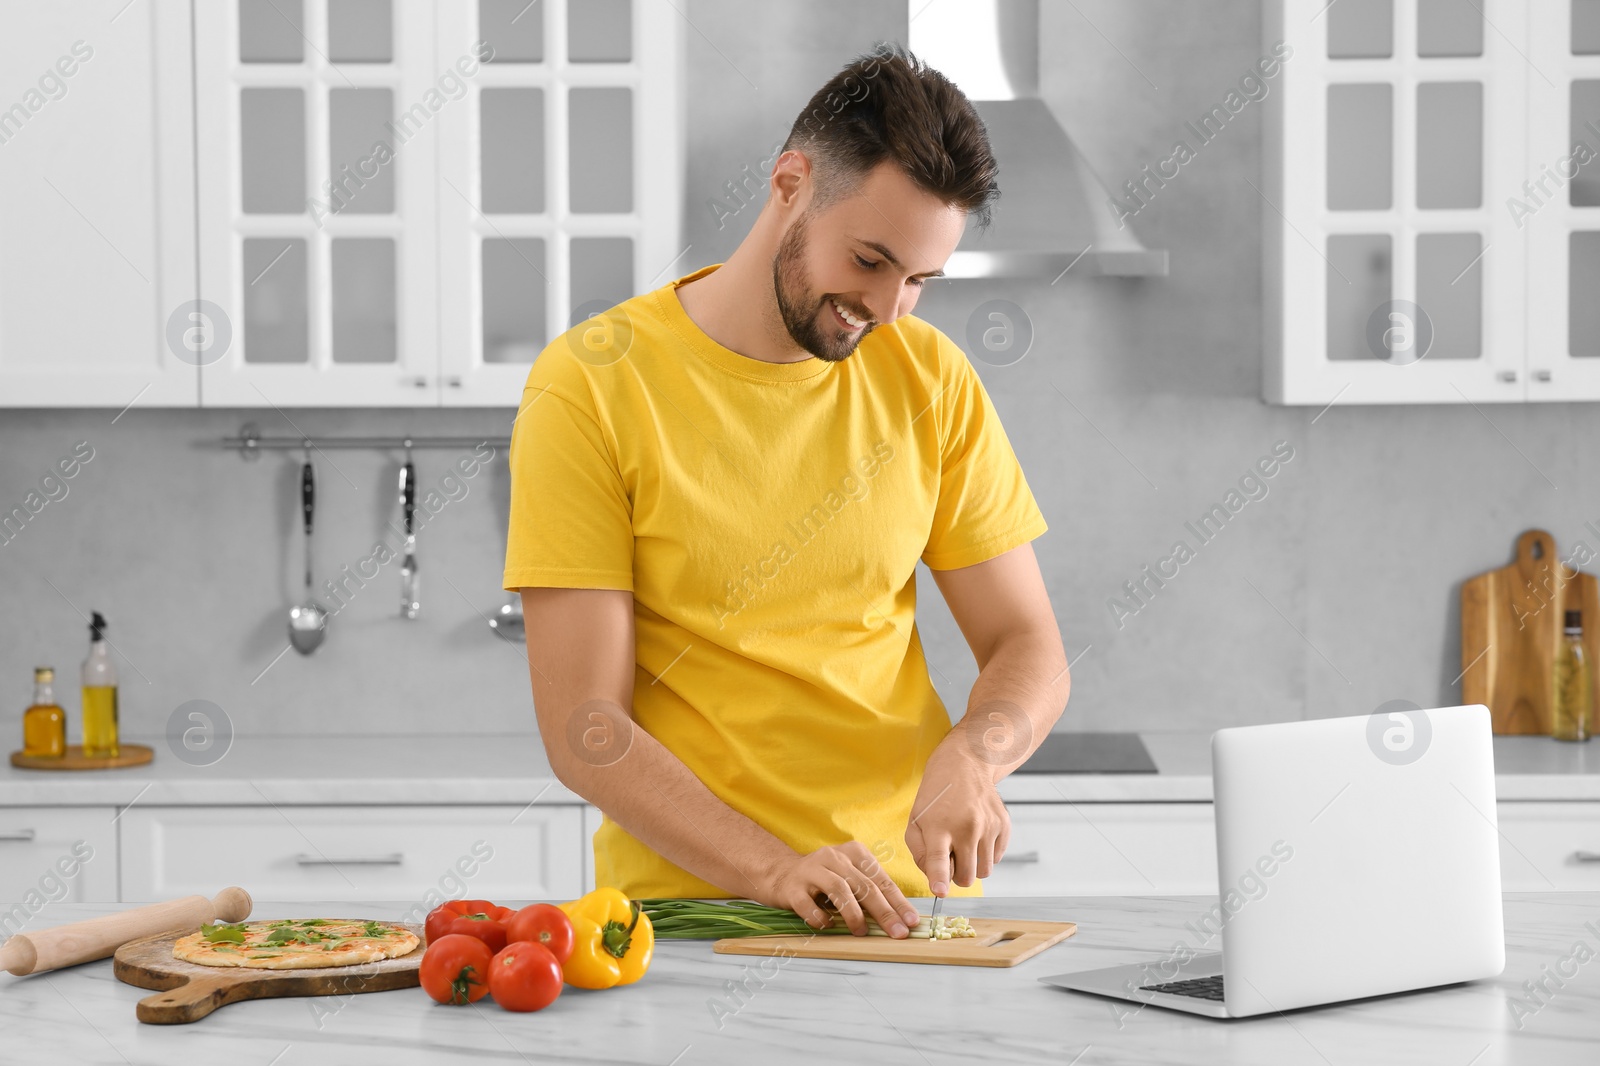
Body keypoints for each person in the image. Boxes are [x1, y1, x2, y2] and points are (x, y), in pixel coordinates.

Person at [504, 44, 1068, 939]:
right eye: (871, 260)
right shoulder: (593, 383)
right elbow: (584, 726)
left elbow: (1025, 640)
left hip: (907, 914)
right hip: (690, 916)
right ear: (789, 183)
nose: (889, 310)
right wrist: (775, 869)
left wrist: (976, 754)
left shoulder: (930, 377)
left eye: (920, 280)